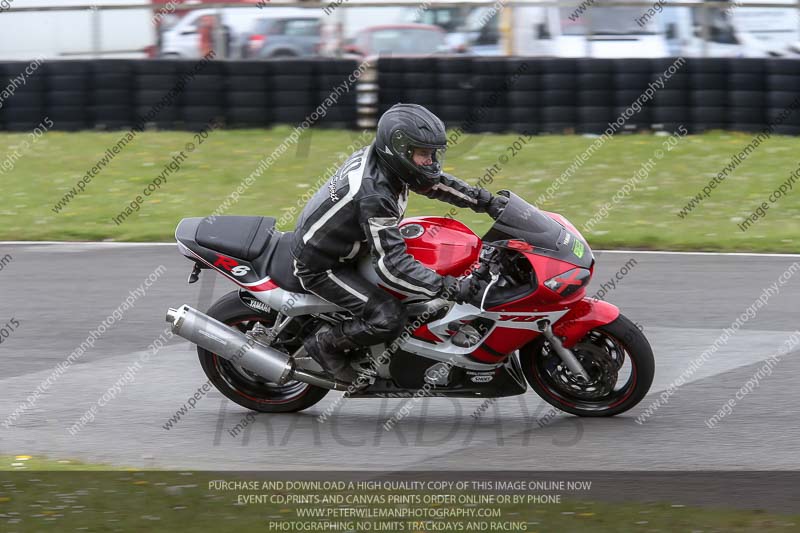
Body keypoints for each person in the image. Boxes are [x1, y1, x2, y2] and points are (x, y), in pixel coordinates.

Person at [290, 103, 508, 382]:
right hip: (323, 264)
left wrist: (487, 203)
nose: (430, 161)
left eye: (432, 154)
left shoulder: (389, 163)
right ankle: (325, 345)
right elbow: (391, 264)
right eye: (423, 154)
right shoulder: (375, 194)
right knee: (388, 316)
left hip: (351, 243)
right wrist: (446, 287)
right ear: (400, 149)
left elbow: (436, 184)